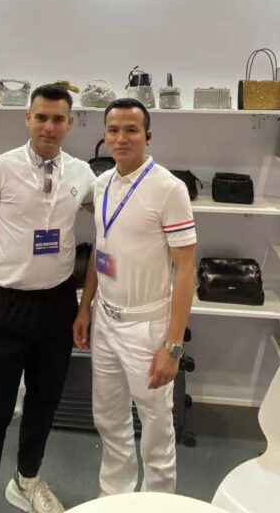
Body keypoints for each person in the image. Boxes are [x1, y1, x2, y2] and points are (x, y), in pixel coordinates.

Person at [0, 84, 96, 513]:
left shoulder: (82, 174)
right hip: (4, 305)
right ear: (27, 118)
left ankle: (26, 481)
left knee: (43, 406)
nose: (49, 126)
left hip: (57, 306)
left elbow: (112, 222)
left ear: (70, 123)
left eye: (58, 119)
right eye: (41, 117)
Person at [73, 98, 197, 496]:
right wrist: (85, 308)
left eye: (131, 130)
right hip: (105, 321)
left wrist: (173, 346)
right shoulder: (102, 184)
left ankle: (157, 502)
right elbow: (101, 248)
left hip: (147, 327)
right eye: (113, 130)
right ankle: (115, 497)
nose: (121, 138)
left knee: (156, 428)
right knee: (109, 419)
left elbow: (187, 270)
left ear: (147, 136)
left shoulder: (168, 189)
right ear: (104, 135)